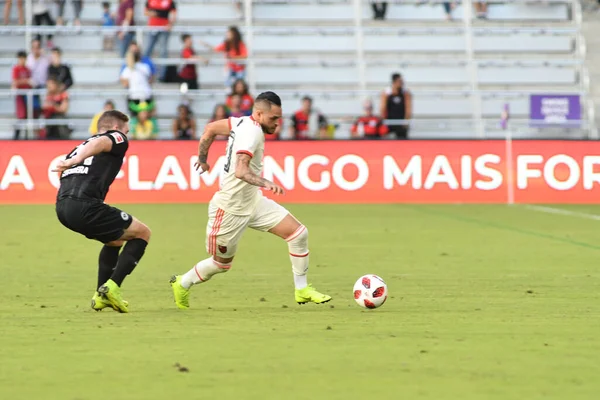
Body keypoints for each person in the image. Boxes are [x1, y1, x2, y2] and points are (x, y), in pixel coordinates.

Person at [169, 91, 331, 309]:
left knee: (298, 233)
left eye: (279, 118)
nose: (277, 123)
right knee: (220, 264)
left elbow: (209, 130)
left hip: (253, 201)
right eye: (273, 119)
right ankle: (182, 283)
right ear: (258, 114)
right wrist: (265, 182)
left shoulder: (240, 122)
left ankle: (302, 289)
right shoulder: (252, 134)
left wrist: (203, 159)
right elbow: (240, 171)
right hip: (229, 209)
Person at [53, 110, 151, 313]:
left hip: (62, 208)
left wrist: (74, 159)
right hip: (84, 205)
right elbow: (104, 142)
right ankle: (112, 288)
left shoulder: (79, 146)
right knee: (142, 233)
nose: (127, 135)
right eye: (126, 130)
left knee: (114, 240)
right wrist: (76, 160)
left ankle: (100, 296)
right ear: (116, 128)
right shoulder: (115, 138)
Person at [201, 26, 247, 90]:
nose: (227, 35)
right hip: (230, 69)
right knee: (229, 87)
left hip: (239, 69)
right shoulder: (226, 44)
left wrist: (233, 58)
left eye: (229, 33)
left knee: (239, 87)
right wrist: (206, 45)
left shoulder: (240, 44)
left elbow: (244, 56)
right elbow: (216, 49)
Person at [380, 73, 412, 140]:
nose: (402, 83)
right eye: (400, 81)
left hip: (401, 122)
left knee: (403, 143)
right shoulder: (386, 93)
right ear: (394, 82)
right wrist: (383, 122)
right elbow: (383, 109)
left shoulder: (406, 93)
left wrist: (406, 121)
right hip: (389, 122)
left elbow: (408, 109)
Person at [12, 50, 33, 140]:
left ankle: (26, 136)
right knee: (21, 115)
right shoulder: (16, 69)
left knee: (28, 114)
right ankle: (17, 135)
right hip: (20, 95)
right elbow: (15, 82)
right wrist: (25, 81)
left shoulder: (27, 69)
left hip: (27, 95)